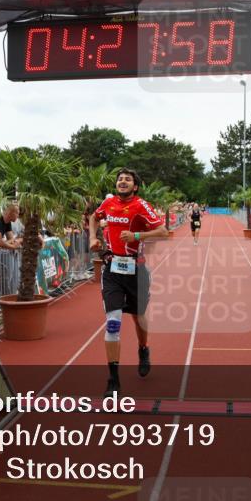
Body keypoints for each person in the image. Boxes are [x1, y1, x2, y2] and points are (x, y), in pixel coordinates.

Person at [89, 168, 168, 397]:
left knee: (138, 317)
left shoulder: (141, 205)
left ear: (135, 186)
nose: (122, 182)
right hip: (112, 270)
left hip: (136, 270)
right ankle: (113, 379)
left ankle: (143, 349)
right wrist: (93, 237)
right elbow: (94, 218)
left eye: (127, 179)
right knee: (113, 323)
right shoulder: (108, 203)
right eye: (120, 179)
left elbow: (163, 232)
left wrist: (136, 236)